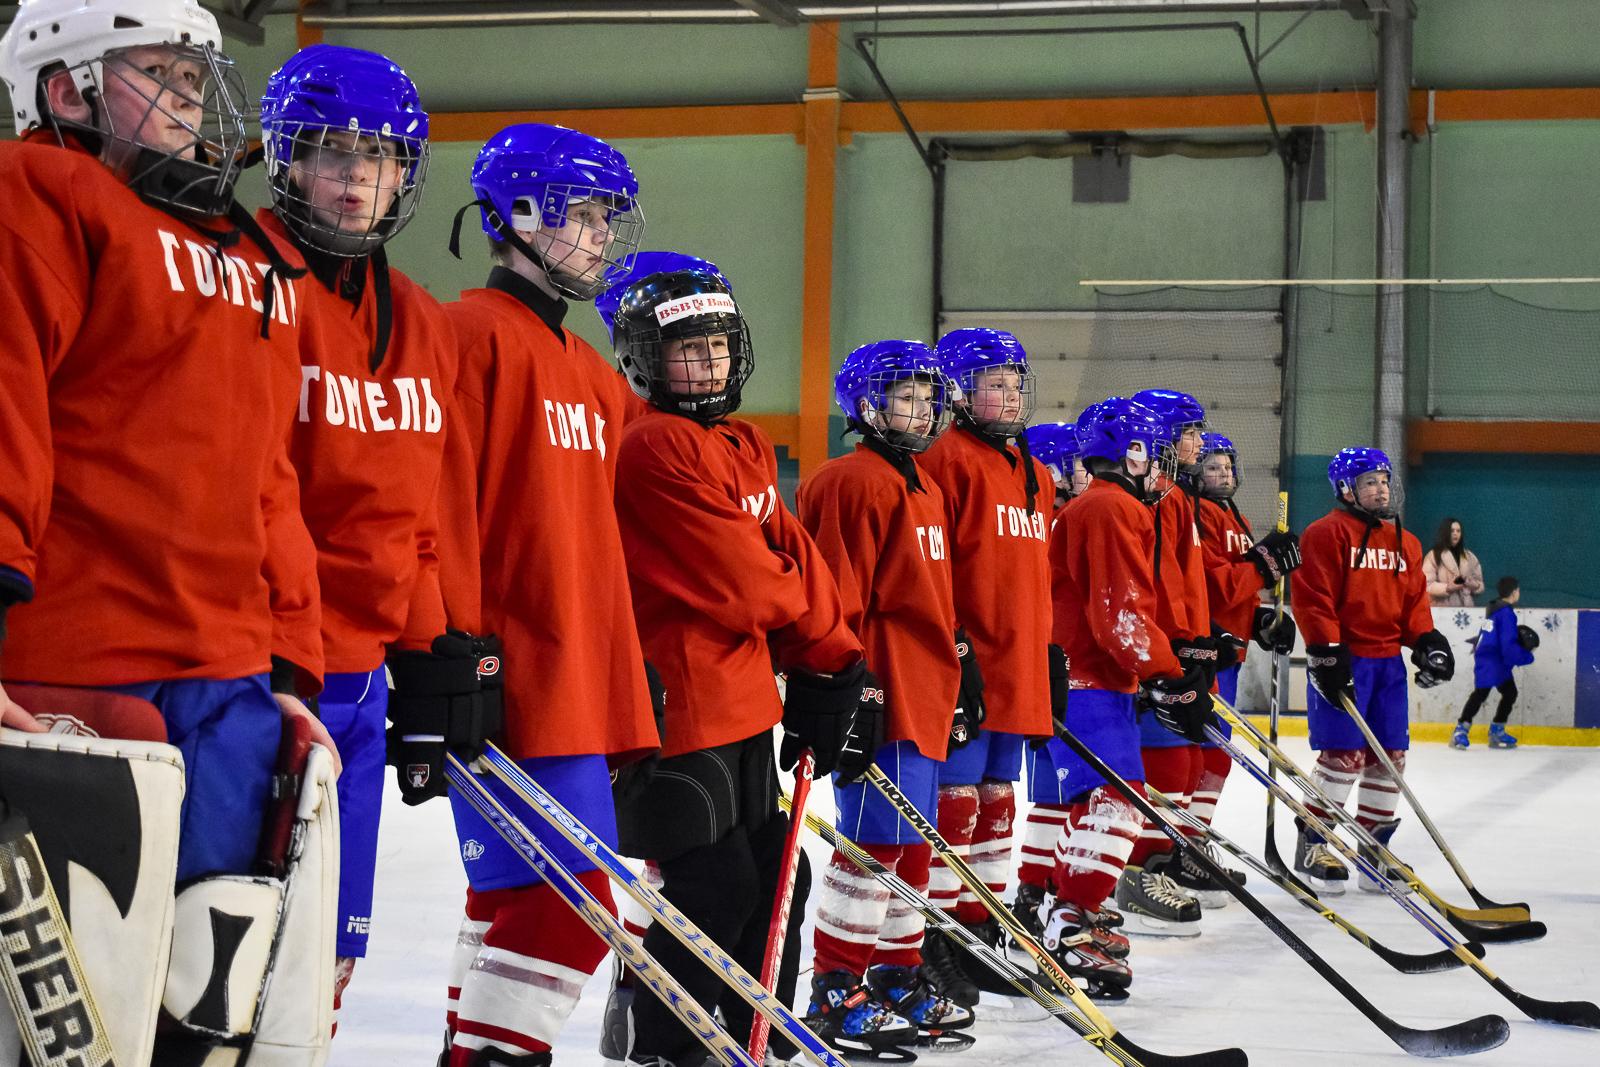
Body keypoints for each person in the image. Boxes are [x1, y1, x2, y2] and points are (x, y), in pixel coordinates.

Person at [0, 0, 337, 1057]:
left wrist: (291, 657)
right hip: (77, 668)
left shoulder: (246, 256)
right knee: (70, 1017)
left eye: (197, 81)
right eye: (162, 75)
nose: (194, 104)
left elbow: (265, 476)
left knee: (206, 1006)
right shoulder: (39, 191)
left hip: (228, 675)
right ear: (68, 88)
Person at [432, 123, 660, 1067]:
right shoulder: (463, 335)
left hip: (584, 685)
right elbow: (438, 505)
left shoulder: (594, 374)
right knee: (583, 905)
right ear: (518, 215)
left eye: (609, 215)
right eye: (586, 214)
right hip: (510, 682)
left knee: (512, 903)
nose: (603, 235)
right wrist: (454, 652)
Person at [611, 270, 871, 1067]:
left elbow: (800, 563)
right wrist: (791, 596)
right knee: (712, 892)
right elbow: (745, 582)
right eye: (690, 349)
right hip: (681, 710)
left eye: (719, 345)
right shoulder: (652, 444)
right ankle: (665, 1046)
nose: (711, 363)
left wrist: (832, 662)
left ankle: (751, 1044)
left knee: (773, 892)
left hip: (749, 704)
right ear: (647, 357)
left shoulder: (746, 441)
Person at [257, 43, 460, 1019]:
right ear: (285, 158)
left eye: (379, 155)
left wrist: (425, 658)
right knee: (241, 945)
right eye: (331, 151)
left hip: (362, 679)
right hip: (259, 672)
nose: (356, 177)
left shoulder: (419, 319)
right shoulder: (243, 280)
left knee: (333, 956)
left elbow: (416, 512)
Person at [798, 339, 975, 1056]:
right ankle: (837, 988)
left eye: (928, 397)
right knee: (872, 844)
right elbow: (834, 595)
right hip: (884, 688)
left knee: (910, 847)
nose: (922, 409)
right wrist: (855, 682)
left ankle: (896, 971)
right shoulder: (850, 481)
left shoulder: (924, 484)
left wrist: (961, 669)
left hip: (926, 687)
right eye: (905, 396)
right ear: (866, 405)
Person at [1035, 397, 1214, 998]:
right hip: (1086, 675)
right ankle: (1067, 919)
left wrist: (1164, 668)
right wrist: (1166, 674)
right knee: (1116, 800)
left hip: (1099, 677)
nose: (1162, 459)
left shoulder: (1111, 504)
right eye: (1153, 447)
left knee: (1107, 799)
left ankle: (1073, 911)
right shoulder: (1110, 506)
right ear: (1129, 452)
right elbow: (1118, 613)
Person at [914, 328, 1054, 1005]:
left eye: (1013, 381)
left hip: (1019, 664)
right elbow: (936, 568)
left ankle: (982, 928)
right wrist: (958, 650)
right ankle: (935, 936)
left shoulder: (1035, 470)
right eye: (993, 383)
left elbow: (1036, 573)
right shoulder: (944, 458)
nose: (1008, 394)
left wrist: (1047, 652)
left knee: (999, 803)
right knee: (956, 806)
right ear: (961, 392)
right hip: (969, 666)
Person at [1291, 447, 1455, 894]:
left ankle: (1372, 847)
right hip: (1346, 660)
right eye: (1369, 481)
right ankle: (1313, 842)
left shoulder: (1406, 541)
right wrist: (1326, 652)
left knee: (1390, 758)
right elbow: (1313, 598)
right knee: (1343, 756)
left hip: (1387, 665)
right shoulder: (1324, 534)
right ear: (1346, 489)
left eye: (1384, 479)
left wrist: (1426, 641)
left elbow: (1414, 603)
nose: (1381, 488)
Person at [1182, 432, 1300, 905]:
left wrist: (1262, 620)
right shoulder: (1195, 514)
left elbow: (1241, 591)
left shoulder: (1236, 516)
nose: (1224, 473)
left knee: (1216, 755)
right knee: (1192, 756)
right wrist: (1262, 565)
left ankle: (1195, 839)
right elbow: (1212, 588)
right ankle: (1178, 846)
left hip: (1228, 655)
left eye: (1228, 466)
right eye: (1213, 466)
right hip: (1201, 655)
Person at [1453, 576, 1536, 750]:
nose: (1518, 592)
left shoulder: (1495, 609)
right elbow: (1508, 646)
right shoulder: (1506, 613)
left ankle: (1497, 729)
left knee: (1510, 692)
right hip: (1491, 658)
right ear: (1514, 592)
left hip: (1493, 658)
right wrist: (1526, 657)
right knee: (1482, 692)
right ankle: (1460, 730)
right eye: (1518, 590)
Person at [1422, 517, 1484, 607]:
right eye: (1452, 531)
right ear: (1445, 533)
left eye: (1458, 531)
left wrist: (1470, 583)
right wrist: (1448, 587)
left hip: (1466, 610)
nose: (1456, 534)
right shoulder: (1433, 555)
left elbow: (1480, 585)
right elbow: (1426, 585)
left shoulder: (1470, 557)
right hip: (1442, 608)